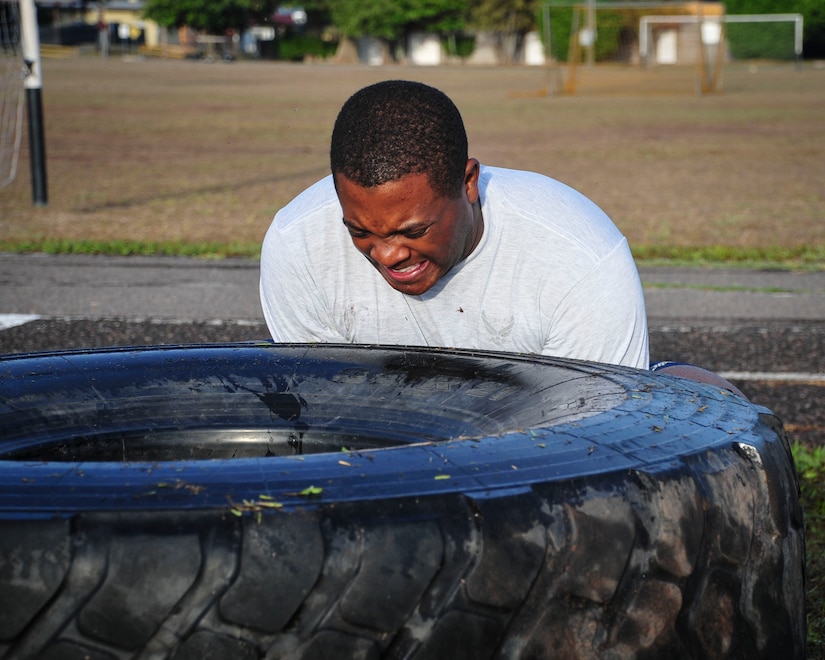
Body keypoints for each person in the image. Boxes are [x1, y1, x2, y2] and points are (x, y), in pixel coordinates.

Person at [260, 80, 649, 369]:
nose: (388, 255)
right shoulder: (297, 244)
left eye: (413, 231)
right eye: (360, 232)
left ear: (469, 183)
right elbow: (321, 406)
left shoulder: (580, 258)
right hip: (385, 428)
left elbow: (592, 434)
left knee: (684, 393)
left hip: (531, 434)